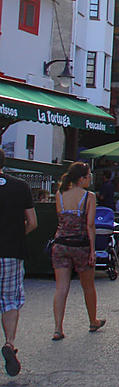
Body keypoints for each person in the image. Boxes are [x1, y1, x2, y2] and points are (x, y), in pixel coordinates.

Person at [51, 162, 105, 341]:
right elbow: (90, 225)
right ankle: (92, 320)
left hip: (60, 243)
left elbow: (60, 217)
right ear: (82, 178)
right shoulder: (88, 196)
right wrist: (92, 249)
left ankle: (58, 328)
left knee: (61, 287)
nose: (90, 179)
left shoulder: (59, 194)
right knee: (88, 286)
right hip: (80, 244)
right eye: (88, 176)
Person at [0, 150, 37, 376]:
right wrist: (15, 234)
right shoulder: (21, 186)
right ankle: (9, 343)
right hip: (11, 252)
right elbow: (32, 222)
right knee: (10, 300)